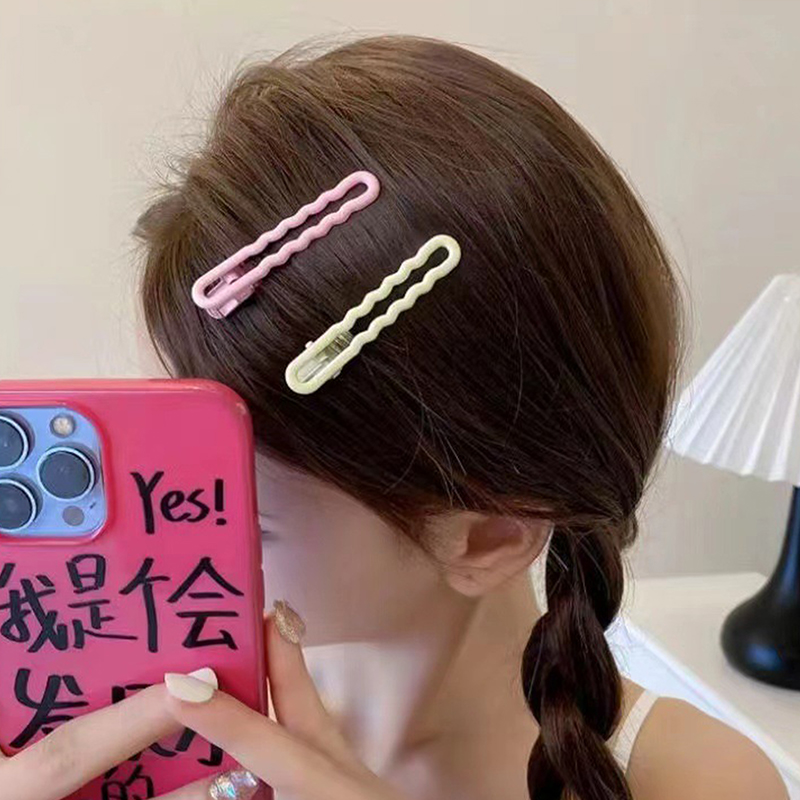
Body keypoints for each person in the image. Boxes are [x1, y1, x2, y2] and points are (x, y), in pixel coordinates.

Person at [1, 35, 788, 800]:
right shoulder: (136, 738)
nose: (163, 537)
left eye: (233, 513)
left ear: (488, 536)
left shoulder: (696, 782)